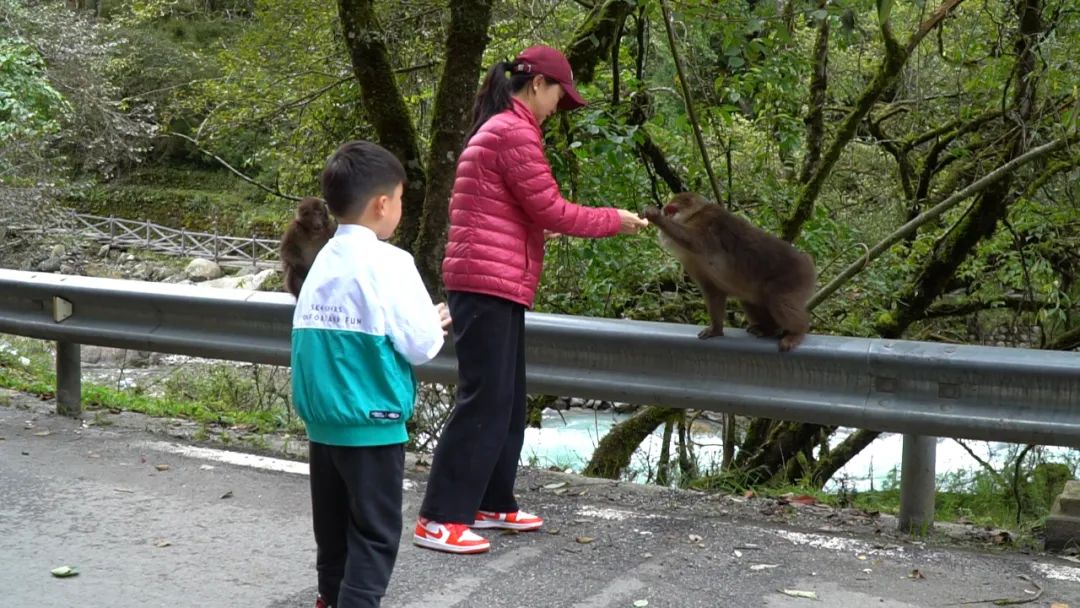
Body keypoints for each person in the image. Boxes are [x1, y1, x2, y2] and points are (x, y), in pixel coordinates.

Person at [413, 45, 649, 554]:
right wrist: (615, 219)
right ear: (537, 84)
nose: (556, 108)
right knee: (484, 399)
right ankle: (439, 518)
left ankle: (491, 502)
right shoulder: (513, 132)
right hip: (485, 284)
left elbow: (523, 211)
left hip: (495, 283)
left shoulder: (504, 127)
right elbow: (551, 209)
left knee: (508, 399)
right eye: (558, 97)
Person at [291, 140, 451, 607]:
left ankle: (329, 598)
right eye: (400, 198)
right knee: (376, 534)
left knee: (335, 530)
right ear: (383, 204)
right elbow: (419, 345)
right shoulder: (391, 262)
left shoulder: (324, 259)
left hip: (324, 422)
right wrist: (434, 323)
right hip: (372, 421)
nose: (400, 207)